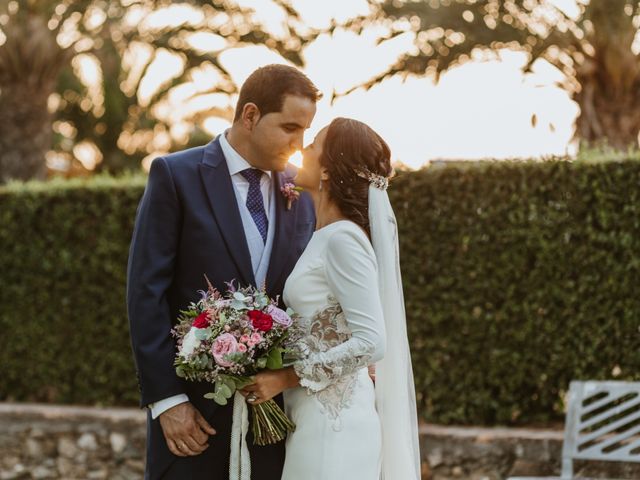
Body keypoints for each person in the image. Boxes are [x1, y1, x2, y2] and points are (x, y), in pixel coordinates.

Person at [127, 64, 320, 479]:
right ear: (250, 115)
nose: (298, 143)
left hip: (279, 423)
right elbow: (146, 293)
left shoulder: (300, 191)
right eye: (289, 127)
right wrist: (168, 401)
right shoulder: (175, 176)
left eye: (305, 131)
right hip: (195, 419)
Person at [241, 118, 422, 479]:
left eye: (312, 145)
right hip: (313, 417)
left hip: (334, 424)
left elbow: (372, 341)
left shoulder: (343, 240)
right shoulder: (325, 236)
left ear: (326, 170)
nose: (301, 149)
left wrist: (285, 377)